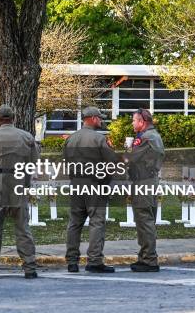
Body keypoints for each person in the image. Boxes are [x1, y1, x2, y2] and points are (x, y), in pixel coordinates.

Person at [0, 104, 39, 279]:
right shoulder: (27, 137)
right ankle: (30, 267)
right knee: (23, 228)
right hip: (19, 183)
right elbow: (34, 160)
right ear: (14, 118)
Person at [63, 106, 121, 273]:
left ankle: (72, 261)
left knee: (74, 223)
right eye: (100, 118)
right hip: (95, 184)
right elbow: (111, 163)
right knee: (96, 222)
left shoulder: (71, 139)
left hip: (76, 184)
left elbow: (66, 162)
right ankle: (94, 260)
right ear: (93, 118)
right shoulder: (99, 139)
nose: (101, 120)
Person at [125, 108, 165, 272]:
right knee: (145, 219)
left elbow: (131, 158)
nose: (133, 123)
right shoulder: (152, 135)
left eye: (134, 120)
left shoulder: (146, 137)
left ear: (142, 122)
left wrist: (126, 150)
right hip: (147, 180)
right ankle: (145, 257)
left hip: (143, 181)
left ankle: (149, 260)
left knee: (144, 219)